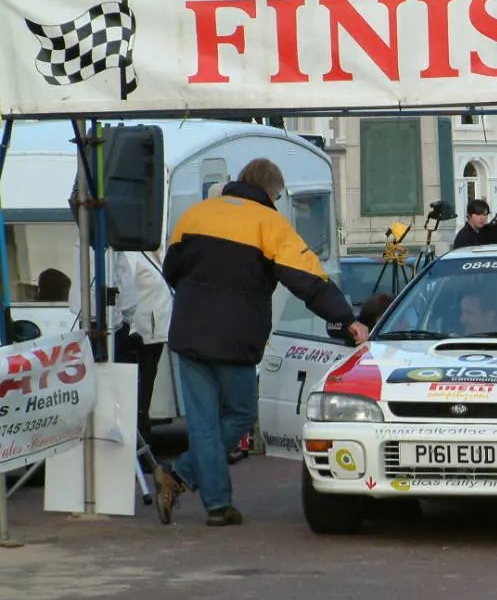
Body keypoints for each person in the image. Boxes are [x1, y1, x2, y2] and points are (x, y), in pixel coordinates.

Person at [154, 158, 368, 527]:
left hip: (188, 331)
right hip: (235, 337)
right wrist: (347, 319)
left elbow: (171, 269)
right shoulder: (269, 224)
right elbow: (307, 279)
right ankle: (203, 493)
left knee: (203, 422)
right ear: (271, 191)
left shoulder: (196, 214)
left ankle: (200, 490)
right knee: (239, 415)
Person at [112, 250, 173, 450]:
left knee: (145, 394)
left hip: (155, 334)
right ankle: (140, 447)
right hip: (141, 335)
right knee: (140, 396)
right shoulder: (131, 254)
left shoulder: (155, 252)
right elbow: (124, 290)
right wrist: (130, 328)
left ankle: (143, 445)